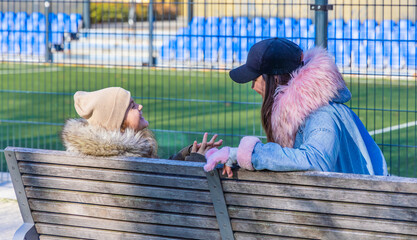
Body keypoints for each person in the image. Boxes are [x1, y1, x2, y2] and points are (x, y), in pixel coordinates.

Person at [204, 38, 388, 177]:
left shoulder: (322, 113)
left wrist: (247, 153)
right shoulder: (298, 113)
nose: (252, 87)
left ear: (274, 79)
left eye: (255, 79)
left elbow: (317, 160)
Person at [61, 87, 221, 160]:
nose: (140, 107)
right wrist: (196, 161)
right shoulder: (132, 159)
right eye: (132, 106)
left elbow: (161, 175)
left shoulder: (94, 157)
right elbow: (175, 193)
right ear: (118, 121)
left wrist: (184, 156)